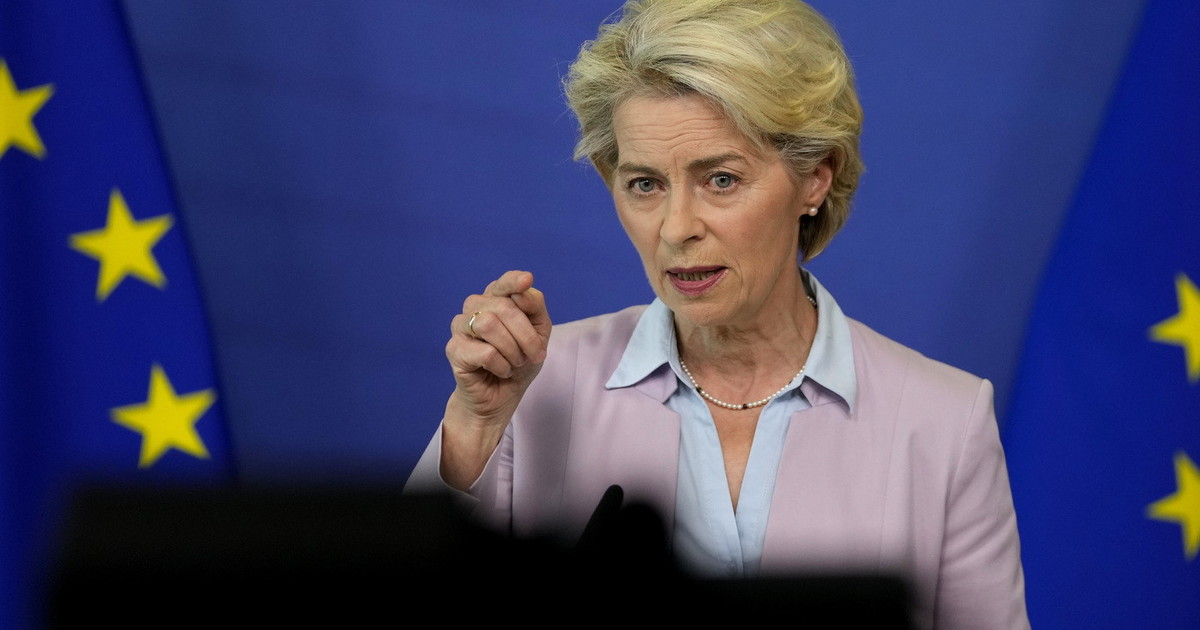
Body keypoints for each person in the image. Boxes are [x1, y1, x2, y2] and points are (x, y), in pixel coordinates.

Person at [404, 0, 1028, 627]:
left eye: (721, 179)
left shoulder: (944, 422)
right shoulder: (533, 383)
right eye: (645, 184)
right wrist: (476, 424)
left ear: (815, 177)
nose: (676, 228)